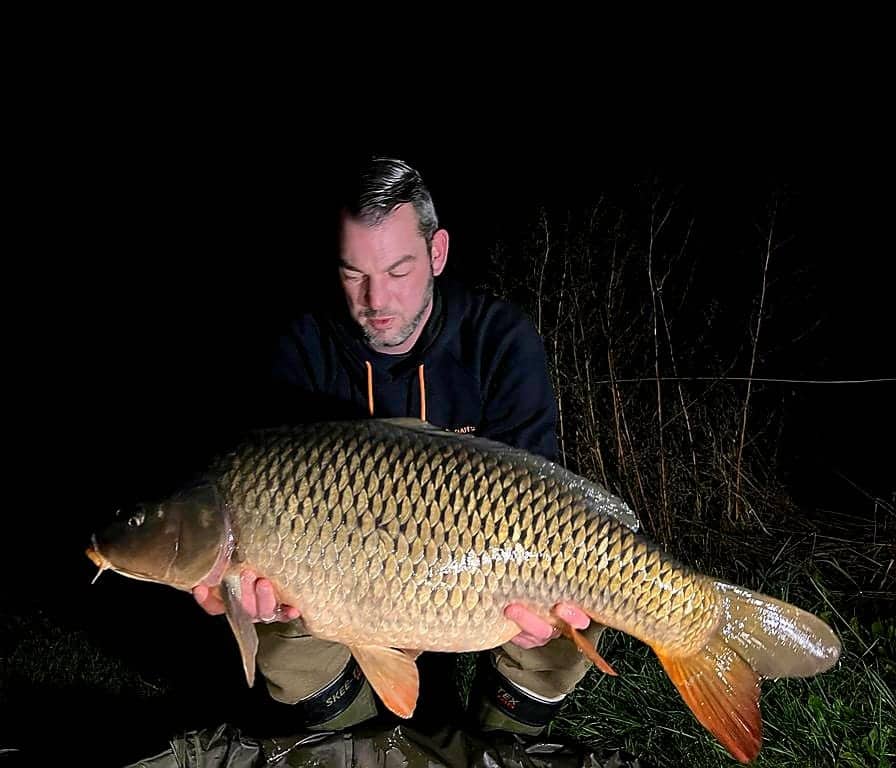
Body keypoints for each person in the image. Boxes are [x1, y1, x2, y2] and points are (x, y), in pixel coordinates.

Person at [192, 156, 605, 736]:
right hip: (347, 575)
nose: (376, 299)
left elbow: (545, 497)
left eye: (398, 269)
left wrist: (548, 603)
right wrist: (234, 591)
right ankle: (360, 742)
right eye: (353, 273)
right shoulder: (300, 352)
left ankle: (500, 743)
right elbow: (264, 501)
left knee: (576, 611)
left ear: (437, 253)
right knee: (279, 630)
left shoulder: (499, 341)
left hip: (478, 584)